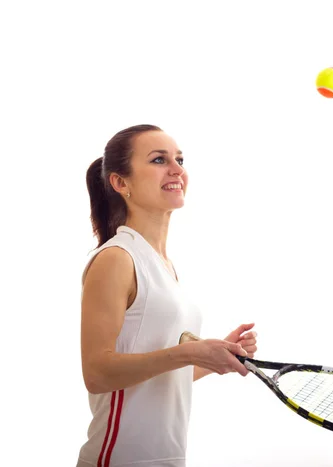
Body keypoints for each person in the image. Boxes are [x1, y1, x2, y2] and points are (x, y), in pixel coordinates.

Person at [76, 124, 257, 467]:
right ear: (120, 183)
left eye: (179, 159)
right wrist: (188, 351)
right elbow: (97, 374)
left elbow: (157, 376)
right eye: (159, 159)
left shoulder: (163, 266)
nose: (177, 169)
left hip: (167, 459)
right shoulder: (117, 258)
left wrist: (213, 356)